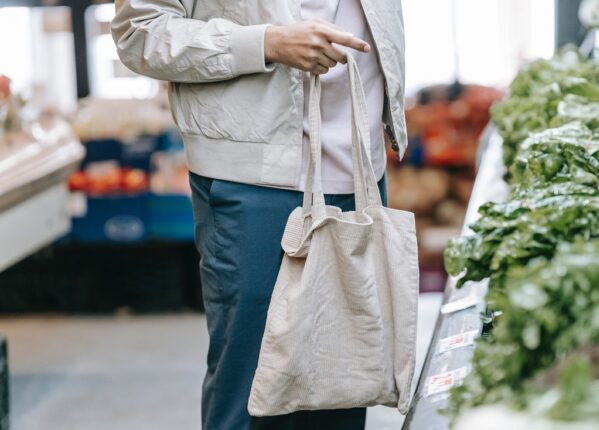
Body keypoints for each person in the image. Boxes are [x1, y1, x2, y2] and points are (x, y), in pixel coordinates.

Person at [111, 0, 406, 429]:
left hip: (360, 172)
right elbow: (139, 31)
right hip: (255, 180)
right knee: (252, 392)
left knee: (342, 388)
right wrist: (265, 43)